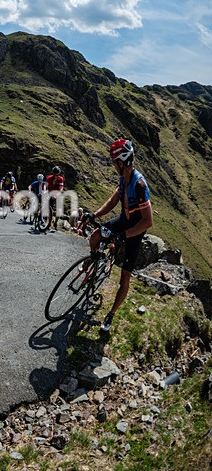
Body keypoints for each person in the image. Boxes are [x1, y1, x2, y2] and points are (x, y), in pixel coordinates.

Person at [80, 139, 152, 333]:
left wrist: (124, 235)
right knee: (95, 236)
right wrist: (94, 214)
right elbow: (113, 200)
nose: (113, 165)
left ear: (123, 161)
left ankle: (110, 314)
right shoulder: (123, 178)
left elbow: (147, 222)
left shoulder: (139, 185)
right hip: (122, 220)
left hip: (135, 230)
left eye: (114, 161)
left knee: (125, 277)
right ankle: (94, 264)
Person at [46, 166, 65, 231]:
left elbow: (61, 188)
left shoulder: (61, 179)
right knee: (50, 209)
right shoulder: (49, 178)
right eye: (54, 174)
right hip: (50, 193)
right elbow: (46, 186)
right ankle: (49, 223)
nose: (56, 175)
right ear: (53, 173)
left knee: (59, 210)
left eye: (57, 174)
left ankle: (56, 223)